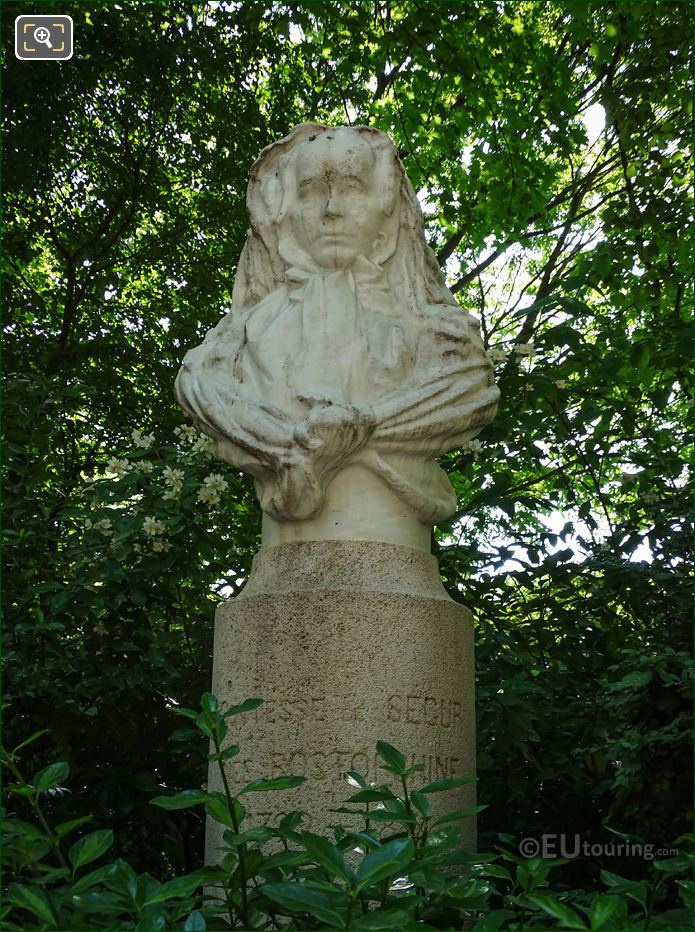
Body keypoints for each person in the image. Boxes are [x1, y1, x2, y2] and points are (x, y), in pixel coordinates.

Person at [175, 124, 499, 539]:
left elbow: (473, 390)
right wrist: (293, 444)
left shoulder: (433, 331)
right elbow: (198, 387)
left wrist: (360, 425)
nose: (331, 209)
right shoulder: (238, 341)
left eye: (352, 187)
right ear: (285, 212)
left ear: (386, 207)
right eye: (310, 190)